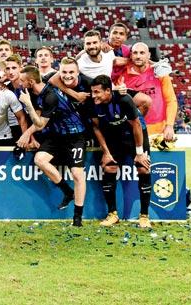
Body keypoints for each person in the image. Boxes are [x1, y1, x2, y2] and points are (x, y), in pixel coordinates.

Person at [18, 66, 87, 227]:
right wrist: (27, 133)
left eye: (22, 81)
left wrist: (28, 105)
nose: (20, 83)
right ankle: (67, 191)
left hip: (74, 135)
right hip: (57, 135)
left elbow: (40, 124)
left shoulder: (50, 97)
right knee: (40, 159)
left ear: (31, 81)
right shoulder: (39, 93)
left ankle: (77, 218)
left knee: (77, 174)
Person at [90, 75, 152, 228]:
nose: (94, 96)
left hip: (135, 135)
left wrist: (139, 152)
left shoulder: (124, 100)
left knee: (143, 169)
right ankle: (112, 214)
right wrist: (105, 152)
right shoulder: (93, 104)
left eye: (97, 92)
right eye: (92, 92)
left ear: (108, 91)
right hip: (114, 136)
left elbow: (136, 125)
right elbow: (96, 127)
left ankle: (144, 216)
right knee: (109, 166)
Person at [116, 42, 177, 141]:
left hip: (160, 131)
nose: (138, 56)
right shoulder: (122, 77)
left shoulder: (160, 72)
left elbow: (171, 100)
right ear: (131, 55)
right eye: (135, 53)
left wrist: (169, 125)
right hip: (135, 131)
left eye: (142, 53)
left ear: (148, 55)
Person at [3, 54, 29, 141]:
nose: (10, 72)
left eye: (14, 68)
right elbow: (20, 117)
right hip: (21, 126)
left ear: (21, 68)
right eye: (7, 68)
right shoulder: (7, 88)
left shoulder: (29, 86)